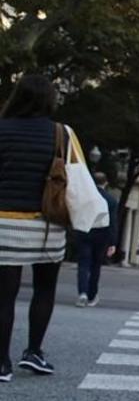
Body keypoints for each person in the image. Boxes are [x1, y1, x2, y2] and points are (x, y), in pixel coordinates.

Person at [0, 74, 70, 380]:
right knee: (44, 288)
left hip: (4, 223)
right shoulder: (62, 134)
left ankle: (1, 362)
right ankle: (34, 351)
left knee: (4, 295)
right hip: (47, 225)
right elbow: (76, 176)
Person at [73, 171, 119, 307]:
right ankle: (92, 295)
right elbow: (113, 222)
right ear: (106, 183)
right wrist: (113, 242)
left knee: (83, 264)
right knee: (95, 266)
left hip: (85, 233)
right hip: (102, 236)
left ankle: (82, 293)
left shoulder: (84, 198)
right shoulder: (111, 200)